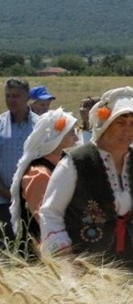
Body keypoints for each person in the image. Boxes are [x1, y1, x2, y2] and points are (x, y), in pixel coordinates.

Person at [39, 87, 133, 270]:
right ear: (106, 122)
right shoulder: (77, 162)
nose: (127, 131)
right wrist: (65, 259)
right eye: (121, 123)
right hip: (83, 269)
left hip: (131, 269)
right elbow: (51, 212)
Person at [9, 108, 78, 258]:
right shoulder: (39, 173)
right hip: (42, 255)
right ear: (56, 137)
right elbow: (44, 218)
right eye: (71, 132)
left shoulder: (59, 167)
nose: (76, 136)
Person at [0, 78, 38, 243]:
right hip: (3, 200)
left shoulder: (40, 125)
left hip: (34, 200)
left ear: (27, 97)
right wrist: (6, 193)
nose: (11, 100)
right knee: (5, 251)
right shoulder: (0, 124)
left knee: (31, 250)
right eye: (7, 96)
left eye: (15, 96)